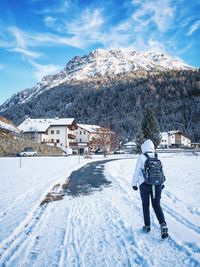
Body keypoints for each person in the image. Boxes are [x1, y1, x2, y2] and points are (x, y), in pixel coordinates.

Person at [132, 139, 168, 238]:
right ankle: (163, 224)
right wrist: (161, 183)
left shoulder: (142, 157)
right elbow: (161, 171)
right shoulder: (157, 156)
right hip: (157, 184)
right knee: (156, 205)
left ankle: (147, 226)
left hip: (145, 184)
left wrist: (134, 184)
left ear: (143, 147)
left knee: (145, 205)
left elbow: (137, 172)